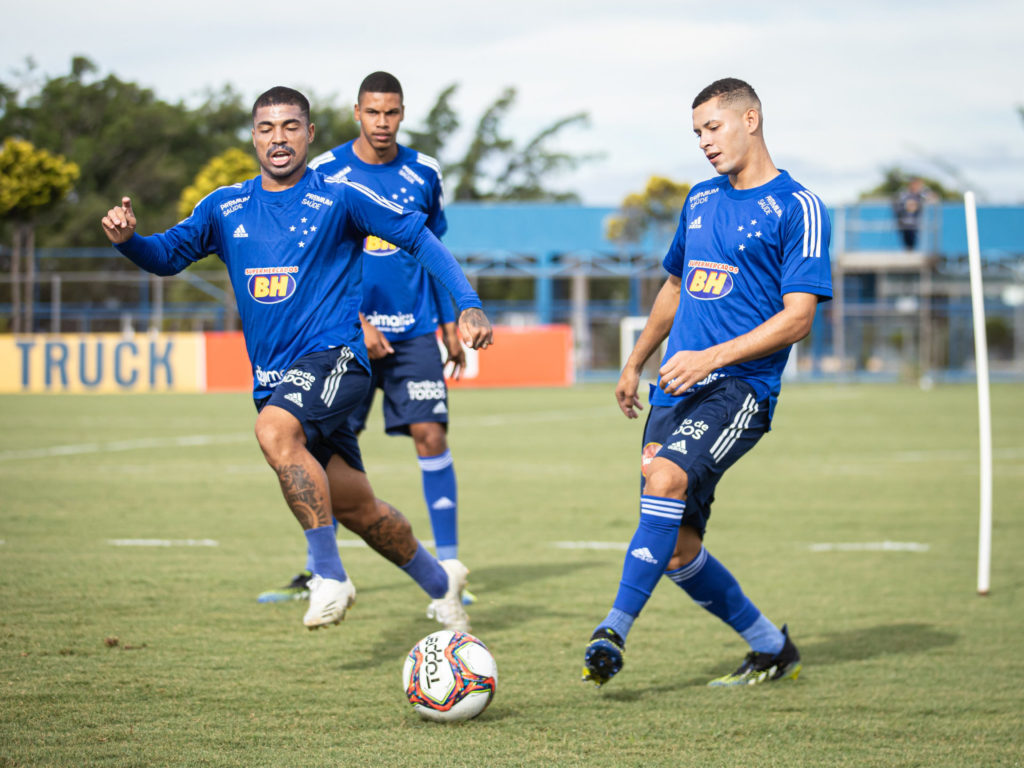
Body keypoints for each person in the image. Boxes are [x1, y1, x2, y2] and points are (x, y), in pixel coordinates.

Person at [100, 86, 493, 633]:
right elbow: (166, 256)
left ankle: (329, 575)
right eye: (267, 128)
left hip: (338, 360)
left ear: (309, 134)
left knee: (273, 431)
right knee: (361, 510)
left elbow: (419, 238)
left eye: (290, 127)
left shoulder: (341, 196)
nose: (278, 138)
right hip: (275, 378)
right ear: (254, 137)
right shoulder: (225, 206)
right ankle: (439, 583)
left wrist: (468, 305)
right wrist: (128, 240)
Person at [581, 78, 832, 688]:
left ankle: (612, 628)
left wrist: (711, 359)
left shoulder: (799, 207)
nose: (704, 143)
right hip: (675, 387)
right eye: (696, 133)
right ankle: (771, 647)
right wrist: (636, 359)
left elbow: (798, 318)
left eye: (712, 128)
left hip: (738, 389)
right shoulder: (699, 200)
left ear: (751, 118)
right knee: (676, 549)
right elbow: (674, 286)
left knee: (664, 476)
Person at [258, 72, 471, 607]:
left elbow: (430, 246)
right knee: (319, 449)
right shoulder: (325, 170)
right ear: (357, 112)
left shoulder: (424, 172)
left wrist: (450, 319)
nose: (382, 122)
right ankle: (317, 570)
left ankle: (449, 566)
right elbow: (310, 264)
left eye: (392, 113)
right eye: (373, 113)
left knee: (431, 435)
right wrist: (358, 321)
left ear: (402, 113)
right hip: (343, 339)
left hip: (417, 329)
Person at [893, 177, 935, 251]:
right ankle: (909, 253)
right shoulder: (904, 194)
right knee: (907, 241)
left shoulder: (921, 194)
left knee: (913, 240)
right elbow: (898, 205)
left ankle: (911, 252)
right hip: (905, 223)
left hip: (915, 223)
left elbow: (932, 197)